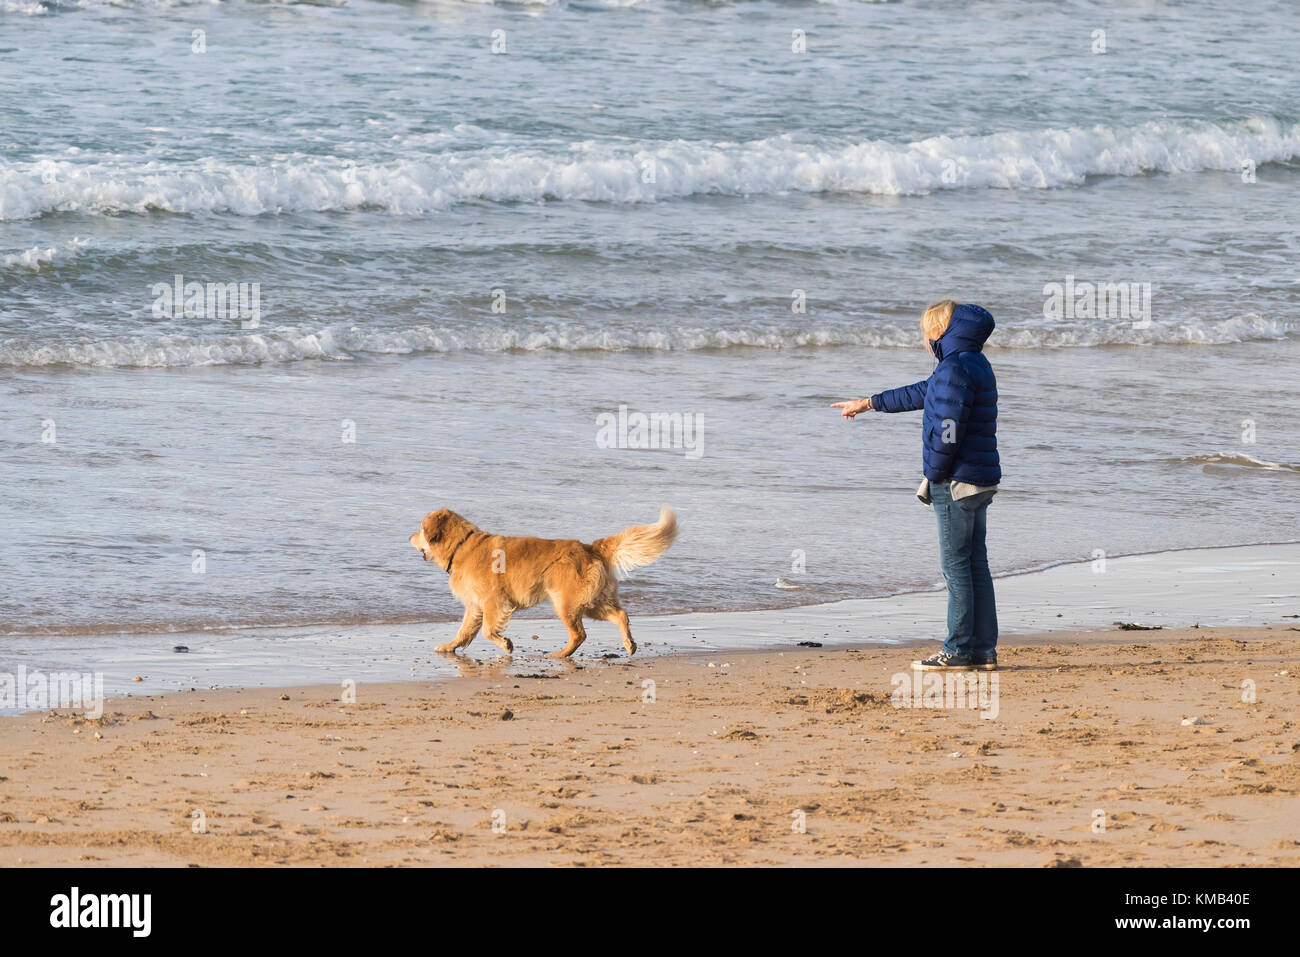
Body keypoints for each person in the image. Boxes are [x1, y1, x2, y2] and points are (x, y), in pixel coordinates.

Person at [832, 300, 1001, 671]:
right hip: (979, 478)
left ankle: (958, 649)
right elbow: (921, 392)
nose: (924, 338)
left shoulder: (953, 368)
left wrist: (936, 472)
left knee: (956, 566)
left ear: (940, 333)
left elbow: (949, 430)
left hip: (956, 480)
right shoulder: (972, 364)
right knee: (974, 564)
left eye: (926, 331)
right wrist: (869, 403)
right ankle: (983, 650)